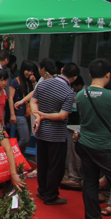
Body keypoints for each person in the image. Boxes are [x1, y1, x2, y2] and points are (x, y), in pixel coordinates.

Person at [75, 59, 111, 219]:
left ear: (90, 74)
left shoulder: (80, 95)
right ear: (108, 75)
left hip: (85, 144)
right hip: (105, 146)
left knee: (90, 182)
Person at [31, 62, 79, 206]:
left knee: (43, 163)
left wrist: (38, 116)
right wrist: (45, 115)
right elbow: (62, 116)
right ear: (75, 78)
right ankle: (51, 195)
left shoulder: (43, 83)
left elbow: (33, 101)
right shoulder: (68, 92)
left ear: (62, 70)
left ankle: (42, 190)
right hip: (57, 134)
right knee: (55, 166)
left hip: (41, 132)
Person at [9, 60, 37, 157]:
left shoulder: (30, 82)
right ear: (23, 70)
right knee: (25, 139)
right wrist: (12, 114)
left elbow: (36, 93)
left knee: (26, 139)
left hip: (28, 113)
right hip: (19, 113)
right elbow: (10, 98)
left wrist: (34, 83)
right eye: (28, 70)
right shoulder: (15, 81)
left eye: (32, 71)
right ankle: (11, 155)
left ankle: (19, 159)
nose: (30, 73)